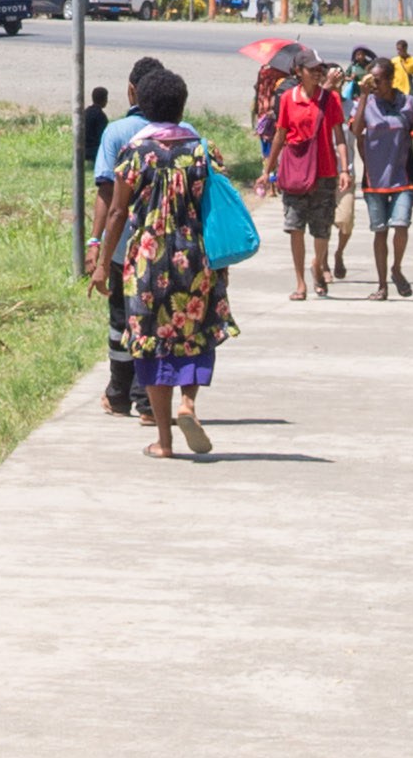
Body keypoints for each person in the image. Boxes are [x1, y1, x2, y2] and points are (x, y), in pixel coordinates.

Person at [87, 60, 230, 458]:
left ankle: (164, 441)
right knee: (196, 333)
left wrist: (100, 262)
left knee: (151, 342)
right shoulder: (203, 151)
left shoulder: (136, 153)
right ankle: (189, 402)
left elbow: (116, 212)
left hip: (147, 262)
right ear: (182, 107)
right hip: (198, 259)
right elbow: (216, 208)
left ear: (142, 105)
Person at [259, 57, 344, 301]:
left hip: (325, 172)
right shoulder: (287, 99)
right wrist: (267, 170)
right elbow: (280, 135)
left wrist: (345, 169)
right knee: (295, 227)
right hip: (295, 172)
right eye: (312, 70)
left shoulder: (331, 99)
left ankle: (318, 264)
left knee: (322, 229)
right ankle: (300, 283)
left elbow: (339, 136)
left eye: (320, 70)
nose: (318, 74)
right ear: (299, 71)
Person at [353, 59, 413, 299]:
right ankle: (382, 285)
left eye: (379, 80)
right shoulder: (366, 103)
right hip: (374, 178)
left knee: (400, 225)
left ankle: (396, 268)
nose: (375, 85)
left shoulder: (408, 104)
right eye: (372, 80)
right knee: (380, 232)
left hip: (402, 176)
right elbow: (356, 130)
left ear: (391, 80)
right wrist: (362, 98)